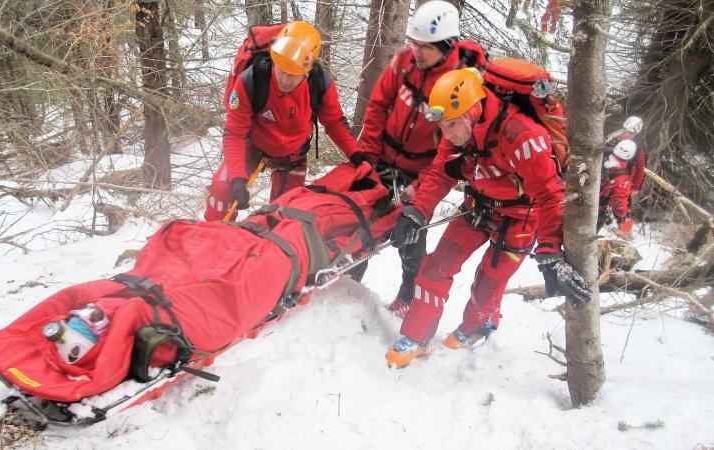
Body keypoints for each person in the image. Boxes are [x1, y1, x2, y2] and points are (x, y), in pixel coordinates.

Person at [383, 68, 591, 369]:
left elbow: (550, 196)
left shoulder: (522, 136)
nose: (448, 134)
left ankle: (476, 326)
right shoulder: (456, 133)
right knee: (436, 267)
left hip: (521, 217)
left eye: (452, 125)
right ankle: (417, 337)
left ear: (474, 111)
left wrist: (550, 252)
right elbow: (440, 173)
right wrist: (415, 213)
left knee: (488, 282)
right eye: (442, 126)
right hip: (478, 206)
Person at [352, 0, 487, 317]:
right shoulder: (404, 63)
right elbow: (376, 108)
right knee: (362, 223)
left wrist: (423, 184)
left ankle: (408, 291)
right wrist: (368, 157)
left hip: (422, 170)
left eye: (426, 47)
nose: (418, 51)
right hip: (384, 158)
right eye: (415, 43)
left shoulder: (459, 82)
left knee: (410, 236)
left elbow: (453, 149)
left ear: (446, 45)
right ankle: (350, 280)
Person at [205, 21, 362, 221]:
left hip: (293, 155)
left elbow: (334, 123)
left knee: (284, 217)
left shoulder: (319, 83)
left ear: (307, 72)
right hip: (252, 147)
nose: (285, 80)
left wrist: (356, 154)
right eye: (281, 70)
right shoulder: (252, 80)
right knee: (221, 190)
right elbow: (235, 133)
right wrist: (237, 178)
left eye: (293, 75)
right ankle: (214, 240)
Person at [598, 139, 637, 238]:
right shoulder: (621, 178)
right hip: (594, 209)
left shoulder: (600, 157)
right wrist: (624, 220)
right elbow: (619, 203)